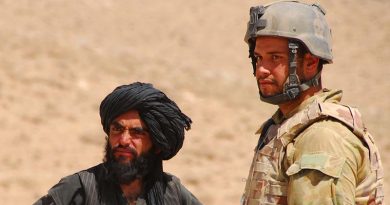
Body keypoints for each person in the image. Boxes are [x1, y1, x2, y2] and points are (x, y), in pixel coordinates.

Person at [240, 1, 383, 205]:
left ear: (310, 63)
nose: (261, 69)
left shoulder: (321, 138)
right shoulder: (286, 126)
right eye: (259, 57)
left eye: (275, 57)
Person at [34, 82, 202, 205]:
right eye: (117, 129)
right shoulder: (80, 188)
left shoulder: (172, 194)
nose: (123, 140)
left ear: (157, 145)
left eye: (137, 133)